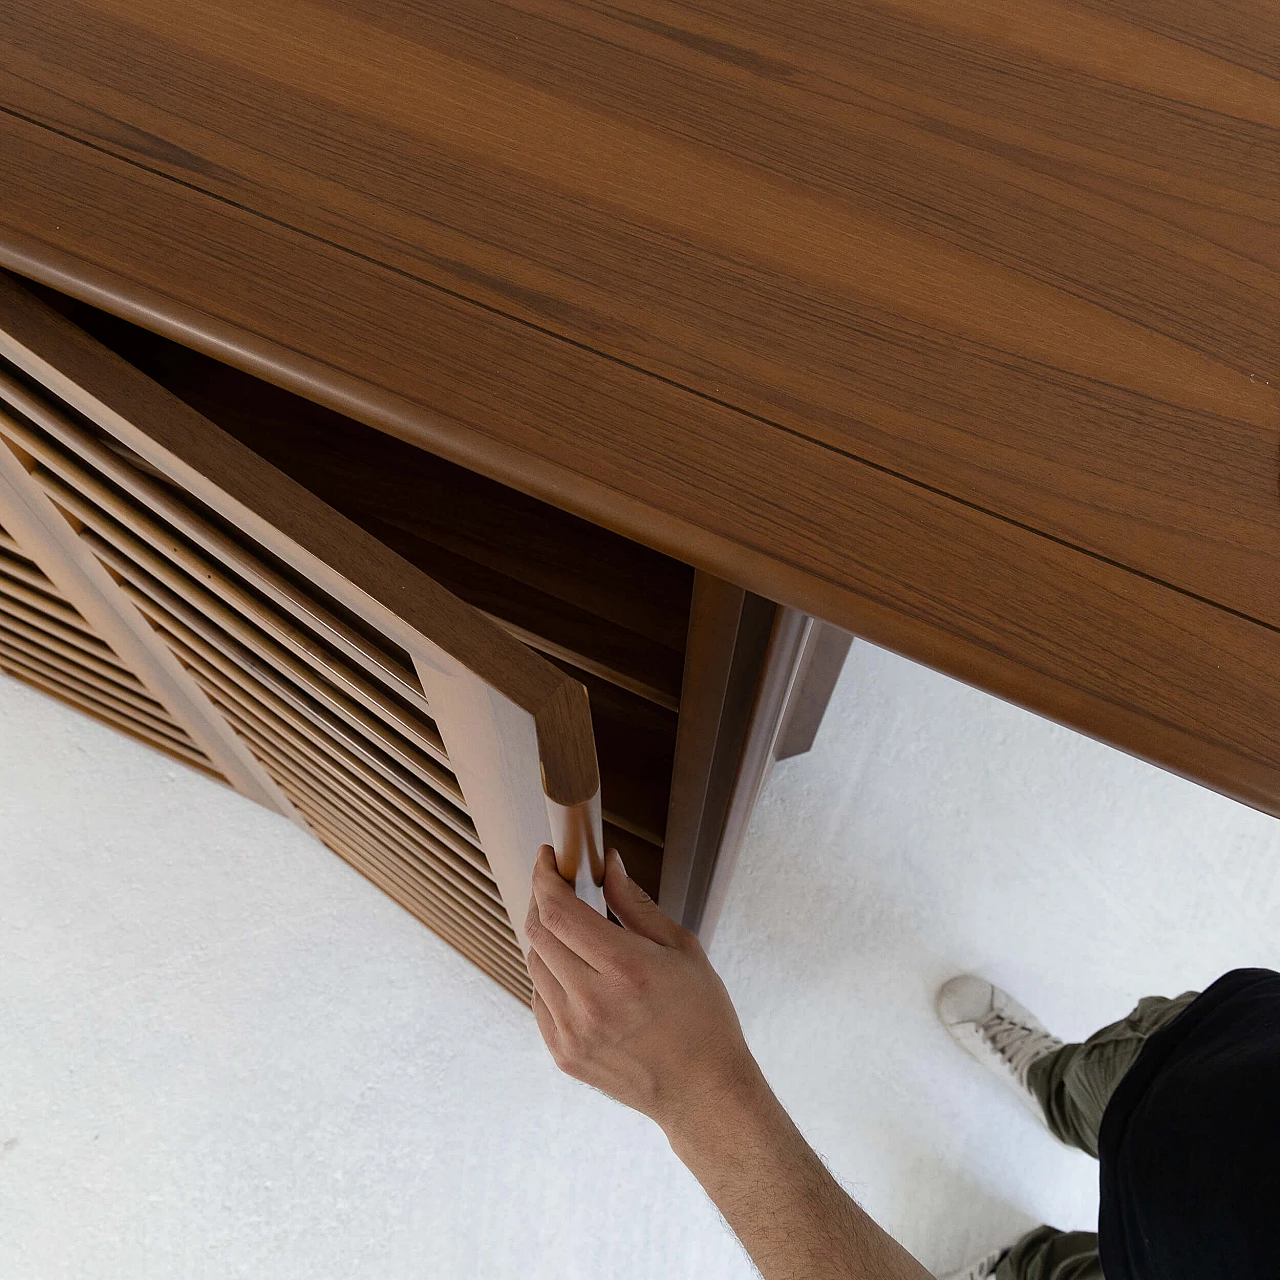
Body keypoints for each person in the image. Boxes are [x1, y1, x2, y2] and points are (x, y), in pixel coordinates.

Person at [523, 844, 1280, 1279]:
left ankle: (1023, 1267)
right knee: (1119, 1085)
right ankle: (1057, 1084)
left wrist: (698, 1095)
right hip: (1218, 1082)